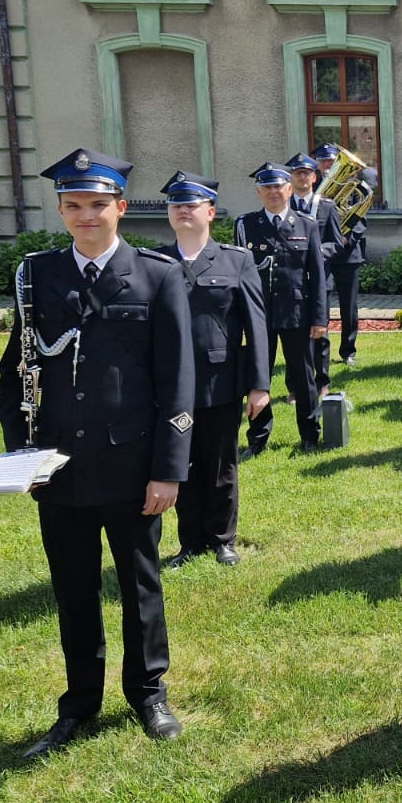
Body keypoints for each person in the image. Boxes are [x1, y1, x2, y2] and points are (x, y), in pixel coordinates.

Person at [0, 148, 194, 760]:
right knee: (73, 589)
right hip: (58, 469)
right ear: (61, 211)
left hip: (132, 467)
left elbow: (177, 380)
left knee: (140, 585)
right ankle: (80, 702)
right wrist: (21, 455)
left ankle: (148, 693)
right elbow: (15, 372)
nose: (87, 216)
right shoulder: (39, 276)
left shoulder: (157, 276)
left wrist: (168, 469)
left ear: (120, 208)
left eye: (98, 205)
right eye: (74, 205)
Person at [157, 172, 270, 568]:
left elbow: (256, 324)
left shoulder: (236, 260)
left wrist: (259, 384)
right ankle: (190, 542)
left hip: (219, 381)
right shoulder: (156, 262)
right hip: (171, 384)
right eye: (176, 204)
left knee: (221, 463)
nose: (183, 210)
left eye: (191, 204)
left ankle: (223, 539)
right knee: (181, 463)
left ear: (211, 212)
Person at [233, 162, 329, 455]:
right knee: (258, 375)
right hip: (258, 313)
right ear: (258, 192)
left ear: (289, 189)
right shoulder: (246, 225)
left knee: (303, 376)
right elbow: (238, 274)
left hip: (296, 313)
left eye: (278, 186)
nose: (273, 192)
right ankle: (258, 438)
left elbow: (317, 276)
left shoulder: (306, 225)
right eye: (267, 187)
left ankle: (310, 435)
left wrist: (319, 318)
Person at [288, 151, 344, 394]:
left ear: (314, 177)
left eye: (306, 173)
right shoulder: (284, 206)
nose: (302, 177)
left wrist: (314, 253)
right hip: (292, 282)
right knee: (292, 335)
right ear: (290, 178)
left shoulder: (327, 206)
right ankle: (295, 387)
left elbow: (337, 243)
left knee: (321, 332)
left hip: (320, 281)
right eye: (297, 173)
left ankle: (322, 382)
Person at [313, 142, 369, 369]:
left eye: (330, 160)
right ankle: (320, 350)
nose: (327, 164)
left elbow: (360, 217)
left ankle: (348, 351)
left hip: (348, 253)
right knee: (320, 305)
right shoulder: (311, 185)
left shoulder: (352, 186)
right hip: (320, 253)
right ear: (318, 163)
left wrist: (346, 238)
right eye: (323, 160)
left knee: (349, 306)